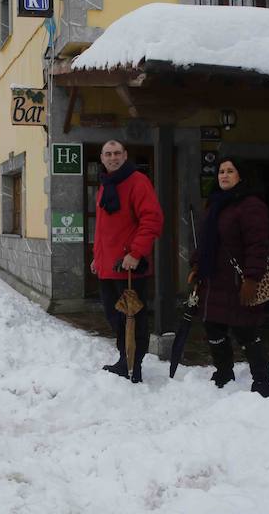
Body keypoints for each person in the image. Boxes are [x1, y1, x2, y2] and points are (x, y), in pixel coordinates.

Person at [188, 157, 269, 398]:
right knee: (213, 329)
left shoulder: (251, 205)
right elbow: (207, 241)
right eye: (221, 171)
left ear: (241, 176)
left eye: (230, 171)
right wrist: (196, 264)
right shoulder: (215, 203)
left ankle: (262, 381)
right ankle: (224, 373)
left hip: (239, 282)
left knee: (246, 332)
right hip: (214, 279)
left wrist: (252, 279)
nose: (224, 175)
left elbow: (257, 246)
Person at [91, 140, 163, 383]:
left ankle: (135, 364)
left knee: (133, 318)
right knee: (115, 318)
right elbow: (103, 228)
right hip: (108, 267)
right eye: (108, 154)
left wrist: (135, 253)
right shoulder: (105, 185)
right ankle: (125, 359)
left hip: (129, 266)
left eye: (117, 153)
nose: (113, 158)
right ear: (102, 158)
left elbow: (152, 220)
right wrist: (97, 258)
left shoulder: (137, 181)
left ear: (125, 156)